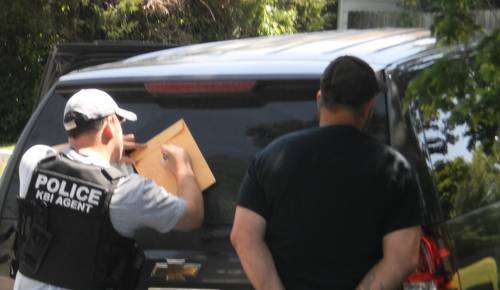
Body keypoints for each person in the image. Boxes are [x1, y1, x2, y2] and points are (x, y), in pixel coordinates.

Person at [231, 56, 422, 290]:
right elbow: (402, 259)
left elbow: (243, 236)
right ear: (368, 107)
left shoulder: (270, 157)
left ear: (320, 99)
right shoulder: (395, 170)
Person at [12, 89, 203, 290]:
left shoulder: (33, 163)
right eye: (120, 124)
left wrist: (105, 153)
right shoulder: (126, 192)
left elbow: (58, 152)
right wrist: (183, 166)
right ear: (110, 124)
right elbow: (192, 215)